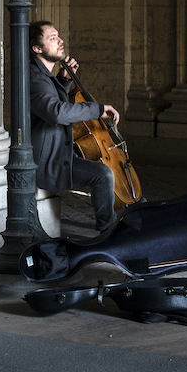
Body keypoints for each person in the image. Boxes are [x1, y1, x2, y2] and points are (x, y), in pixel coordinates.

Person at [29, 20, 120, 233]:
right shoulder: (35, 78)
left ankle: (113, 225)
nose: (60, 41)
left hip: (58, 151)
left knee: (102, 170)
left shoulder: (43, 75)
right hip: (47, 160)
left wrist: (63, 81)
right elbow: (56, 113)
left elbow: (49, 102)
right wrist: (97, 109)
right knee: (103, 174)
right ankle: (108, 231)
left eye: (58, 36)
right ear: (37, 48)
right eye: (52, 38)